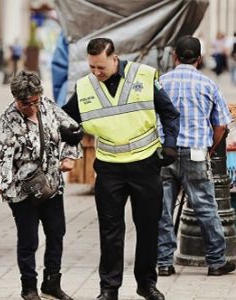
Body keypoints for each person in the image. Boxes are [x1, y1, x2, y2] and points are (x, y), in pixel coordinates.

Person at [63, 38, 180, 300]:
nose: (96, 73)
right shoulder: (84, 87)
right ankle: (108, 289)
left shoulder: (144, 76)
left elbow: (170, 113)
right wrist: (69, 135)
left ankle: (146, 284)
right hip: (109, 169)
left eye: (101, 67)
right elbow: (66, 120)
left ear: (114, 58)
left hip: (145, 165)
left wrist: (170, 145)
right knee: (110, 231)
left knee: (149, 227)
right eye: (92, 67)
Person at [0, 71, 84, 300]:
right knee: (29, 239)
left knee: (56, 232)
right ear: (15, 98)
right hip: (22, 189)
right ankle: (29, 288)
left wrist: (69, 157)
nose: (31, 107)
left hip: (51, 184)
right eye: (25, 103)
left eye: (35, 101)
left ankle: (52, 283)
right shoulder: (8, 120)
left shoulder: (48, 106)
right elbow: (2, 154)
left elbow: (73, 131)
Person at [156, 36, 236, 277]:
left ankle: (163, 263)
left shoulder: (161, 82)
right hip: (197, 154)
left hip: (165, 152)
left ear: (174, 56)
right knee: (206, 208)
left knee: (162, 209)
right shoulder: (208, 84)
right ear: (199, 59)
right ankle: (216, 262)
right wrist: (210, 147)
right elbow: (220, 125)